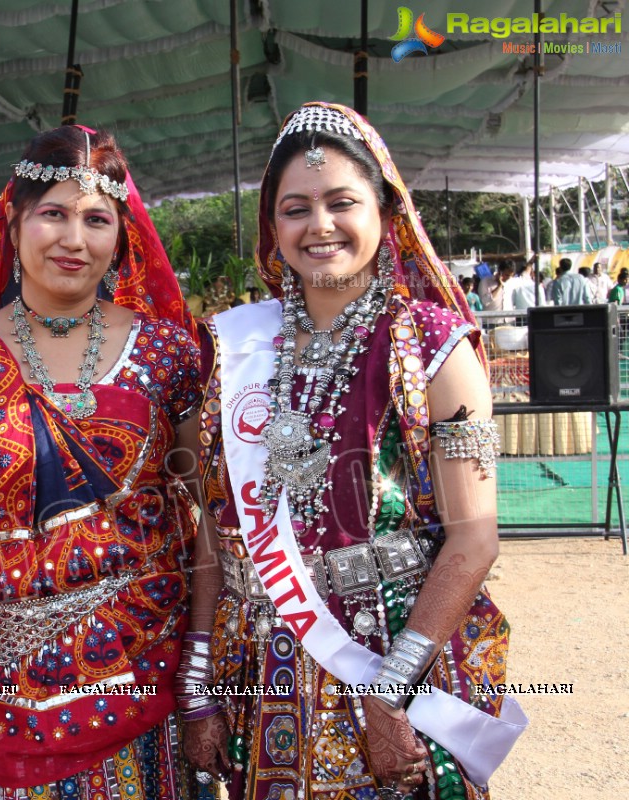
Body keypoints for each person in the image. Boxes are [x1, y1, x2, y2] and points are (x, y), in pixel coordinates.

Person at [185, 102, 526, 800]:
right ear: (271, 226)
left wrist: (392, 691)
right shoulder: (234, 351)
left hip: (390, 656)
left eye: (342, 202)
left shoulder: (433, 346)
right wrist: (197, 689)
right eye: (295, 208)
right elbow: (215, 532)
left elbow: (473, 540)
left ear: (386, 213)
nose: (319, 226)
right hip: (261, 669)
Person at [0, 125, 206, 796]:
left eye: (96, 219)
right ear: (14, 220)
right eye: (53, 213)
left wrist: (201, 681)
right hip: (5, 716)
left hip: (147, 702)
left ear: (122, 237)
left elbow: (213, 519)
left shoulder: (173, 357)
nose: (73, 239)